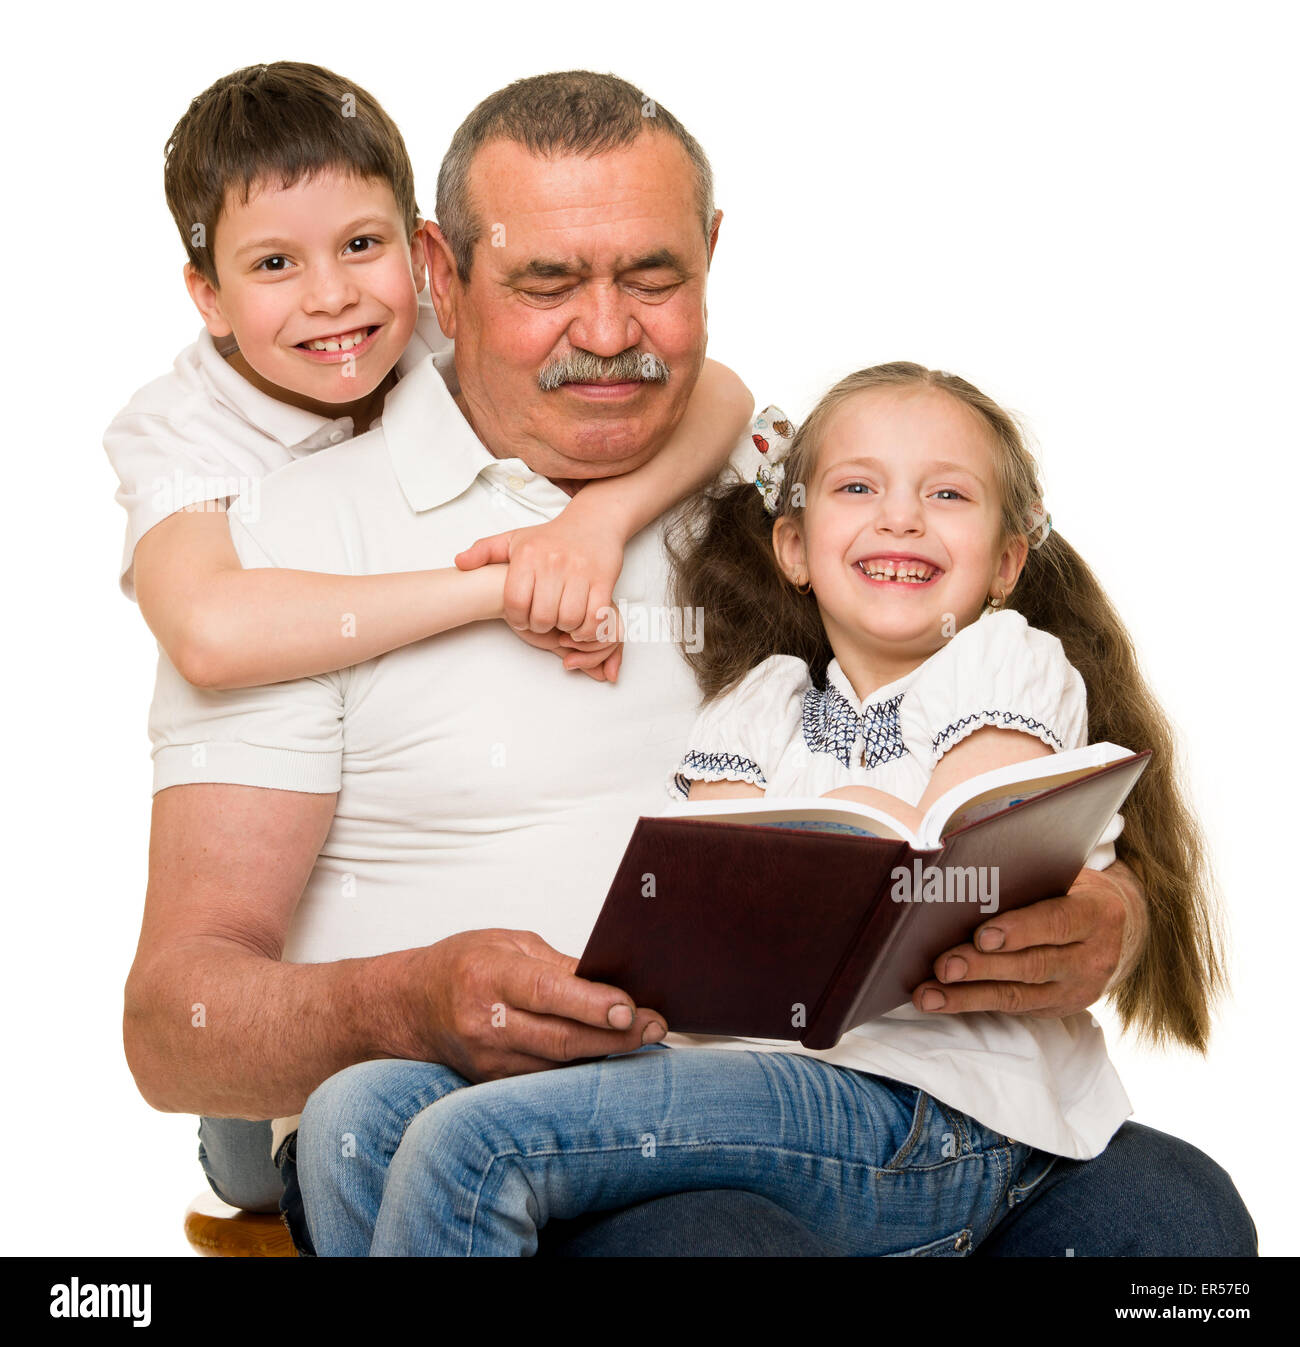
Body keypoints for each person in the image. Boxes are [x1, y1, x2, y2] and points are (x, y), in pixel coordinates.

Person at [121, 69, 1256, 1258]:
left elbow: (1031, 750)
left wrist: (1101, 919)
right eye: (546, 283)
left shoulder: (822, 506)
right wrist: (410, 1001)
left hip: (865, 1103)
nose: (607, 336)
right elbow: (172, 1024)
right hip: (503, 1136)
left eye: (654, 279)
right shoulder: (290, 555)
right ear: (442, 277)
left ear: (711, 254)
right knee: (713, 1242)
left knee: (1176, 1225)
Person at [288, 366, 1223, 1256]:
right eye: (858, 489)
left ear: (1008, 560)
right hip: (744, 1088)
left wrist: (819, 845)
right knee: (355, 1112)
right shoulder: (764, 704)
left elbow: (940, 857)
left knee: (472, 1147)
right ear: (793, 546)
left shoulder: (1005, 663)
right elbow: (710, 904)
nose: (901, 516)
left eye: (947, 496)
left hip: (925, 1111)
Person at [104, 60, 753, 696]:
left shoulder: (441, 323)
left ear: (422, 257)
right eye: (276, 262)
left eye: (361, 245)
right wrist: (503, 591)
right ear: (210, 295)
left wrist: (595, 526)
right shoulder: (179, 429)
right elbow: (206, 633)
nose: (332, 297)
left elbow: (717, 391)